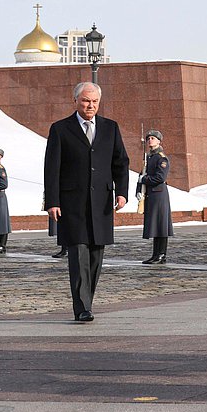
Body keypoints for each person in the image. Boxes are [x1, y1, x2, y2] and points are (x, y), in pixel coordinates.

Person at [44, 82, 130, 322]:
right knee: (79, 252)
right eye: (85, 101)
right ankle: (82, 307)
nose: (90, 105)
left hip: (102, 202)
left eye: (94, 102)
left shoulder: (110, 128)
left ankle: (86, 301)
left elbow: (120, 162)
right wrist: (52, 201)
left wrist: (121, 192)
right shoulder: (60, 129)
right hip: (72, 203)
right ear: (75, 101)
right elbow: (52, 168)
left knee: (95, 256)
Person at [139, 130, 172, 264]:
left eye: (153, 138)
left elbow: (160, 177)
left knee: (161, 225)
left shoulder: (161, 158)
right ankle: (155, 254)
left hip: (159, 194)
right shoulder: (148, 158)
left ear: (159, 141)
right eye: (148, 139)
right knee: (154, 225)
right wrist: (139, 189)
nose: (150, 141)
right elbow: (141, 175)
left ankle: (161, 254)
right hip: (151, 194)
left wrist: (144, 180)